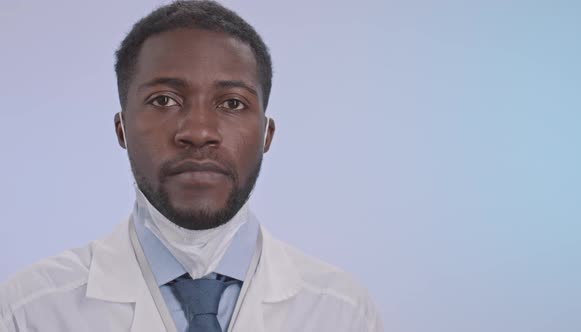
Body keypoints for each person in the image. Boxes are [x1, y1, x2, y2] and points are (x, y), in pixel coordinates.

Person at [0, 1, 383, 331]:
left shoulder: (342, 312)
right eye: (164, 100)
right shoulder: (29, 312)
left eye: (232, 103)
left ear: (267, 134)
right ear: (122, 128)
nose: (198, 132)